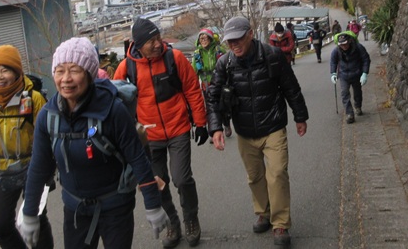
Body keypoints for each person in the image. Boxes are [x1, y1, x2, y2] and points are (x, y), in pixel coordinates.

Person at [19, 37, 170, 249]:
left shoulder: (112, 110)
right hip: (76, 210)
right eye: (60, 71)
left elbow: (137, 157)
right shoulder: (48, 116)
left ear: (89, 74)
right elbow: (39, 167)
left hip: (116, 207)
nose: (66, 79)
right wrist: (29, 213)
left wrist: (153, 205)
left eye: (74, 70)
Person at [205, 16, 309, 246]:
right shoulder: (225, 63)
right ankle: (263, 211)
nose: (234, 44)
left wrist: (300, 116)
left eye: (238, 39)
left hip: (273, 126)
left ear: (250, 34)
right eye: (229, 41)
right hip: (244, 130)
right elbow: (212, 97)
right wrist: (215, 128)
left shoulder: (272, 55)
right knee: (255, 176)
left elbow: (291, 87)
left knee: (277, 173)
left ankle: (280, 223)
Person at [113, 17, 208, 248]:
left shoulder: (174, 58)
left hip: (178, 128)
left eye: (158, 38)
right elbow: (116, 104)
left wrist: (200, 123)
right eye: (151, 41)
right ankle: (172, 223)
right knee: (158, 181)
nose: (158, 44)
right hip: (148, 136)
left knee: (182, 178)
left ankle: (191, 219)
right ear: (138, 44)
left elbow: (192, 89)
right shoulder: (126, 67)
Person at [0, 45, 54, 249]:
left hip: (34, 167)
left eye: (5, 70)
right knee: (0, 225)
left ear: (16, 73)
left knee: (36, 219)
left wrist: (49, 168)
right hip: (4, 169)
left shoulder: (33, 99)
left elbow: (48, 136)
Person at [192, 28, 232, 138]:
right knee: (210, 108)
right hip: (206, 84)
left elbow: (228, 64)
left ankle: (226, 123)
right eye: (201, 39)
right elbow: (193, 72)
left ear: (210, 39)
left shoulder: (219, 50)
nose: (203, 40)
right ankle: (214, 131)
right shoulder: (197, 54)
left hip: (220, 82)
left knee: (223, 105)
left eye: (205, 38)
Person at [330, 31, 371, 124]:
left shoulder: (358, 48)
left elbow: (366, 59)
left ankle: (358, 106)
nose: (343, 46)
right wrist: (333, 73)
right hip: (343, 75)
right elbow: (333, 62)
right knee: (344, 93)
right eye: (341, 45)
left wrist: (365, 73)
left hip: (357, 74)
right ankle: (349, 114)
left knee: (357, 92)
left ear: (349, 41)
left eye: (345, 44)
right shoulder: (337, 51)